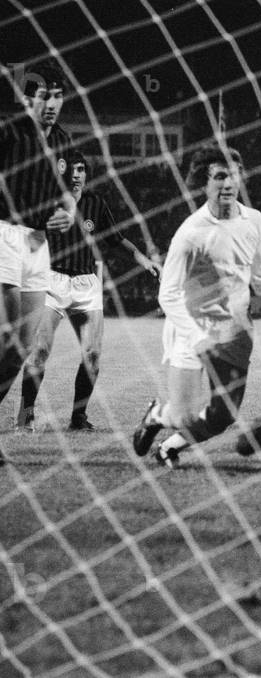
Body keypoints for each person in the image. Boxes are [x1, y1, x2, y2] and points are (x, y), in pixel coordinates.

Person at [131, 144, 261, 467]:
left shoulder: (255, 221)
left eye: (234, 175)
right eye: (220, 176)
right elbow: (168, 294)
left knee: (223, 416)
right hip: (189, 327)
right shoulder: (191, 233)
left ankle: (168, 448)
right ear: (205, 183)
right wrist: (198, 337)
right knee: (182, 415)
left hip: (233, 330)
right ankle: (157, 416)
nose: (228, 183)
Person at [16, 151, 162, 432]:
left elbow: (116, 239)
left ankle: (78, 417)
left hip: (86, 284)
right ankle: (25, 416)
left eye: (81, 169)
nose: (76, 174)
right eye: (72, 169)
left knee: (93, 354)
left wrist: (144, 260)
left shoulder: (96, 203)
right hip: (51, 281)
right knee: (40, 351)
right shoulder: (46, 203)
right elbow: (27, 239)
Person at [0, 62, 75, 459]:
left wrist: (69, 212)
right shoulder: (8, 131)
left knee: (21, 348)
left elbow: (67, 191)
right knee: (7, 338)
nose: (51, 104)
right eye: (44, 96)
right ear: (26, 99)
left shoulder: (62, 139)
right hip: (3, 234)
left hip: (38, 243)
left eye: (58, 96)